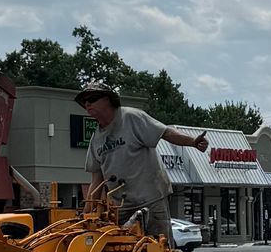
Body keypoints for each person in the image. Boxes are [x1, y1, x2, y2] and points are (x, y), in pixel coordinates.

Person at [76, 86, 208, 242]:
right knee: (117, 249)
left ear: (107, 100)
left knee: (158, 249)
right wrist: (86, 216)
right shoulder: (96, 139)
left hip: (150, 198)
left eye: (92, 100)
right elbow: (96, 182)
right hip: (121, 206)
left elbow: (164, 132)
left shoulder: (131, 117)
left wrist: (192, 141)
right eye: (84, 102)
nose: (87, 105)